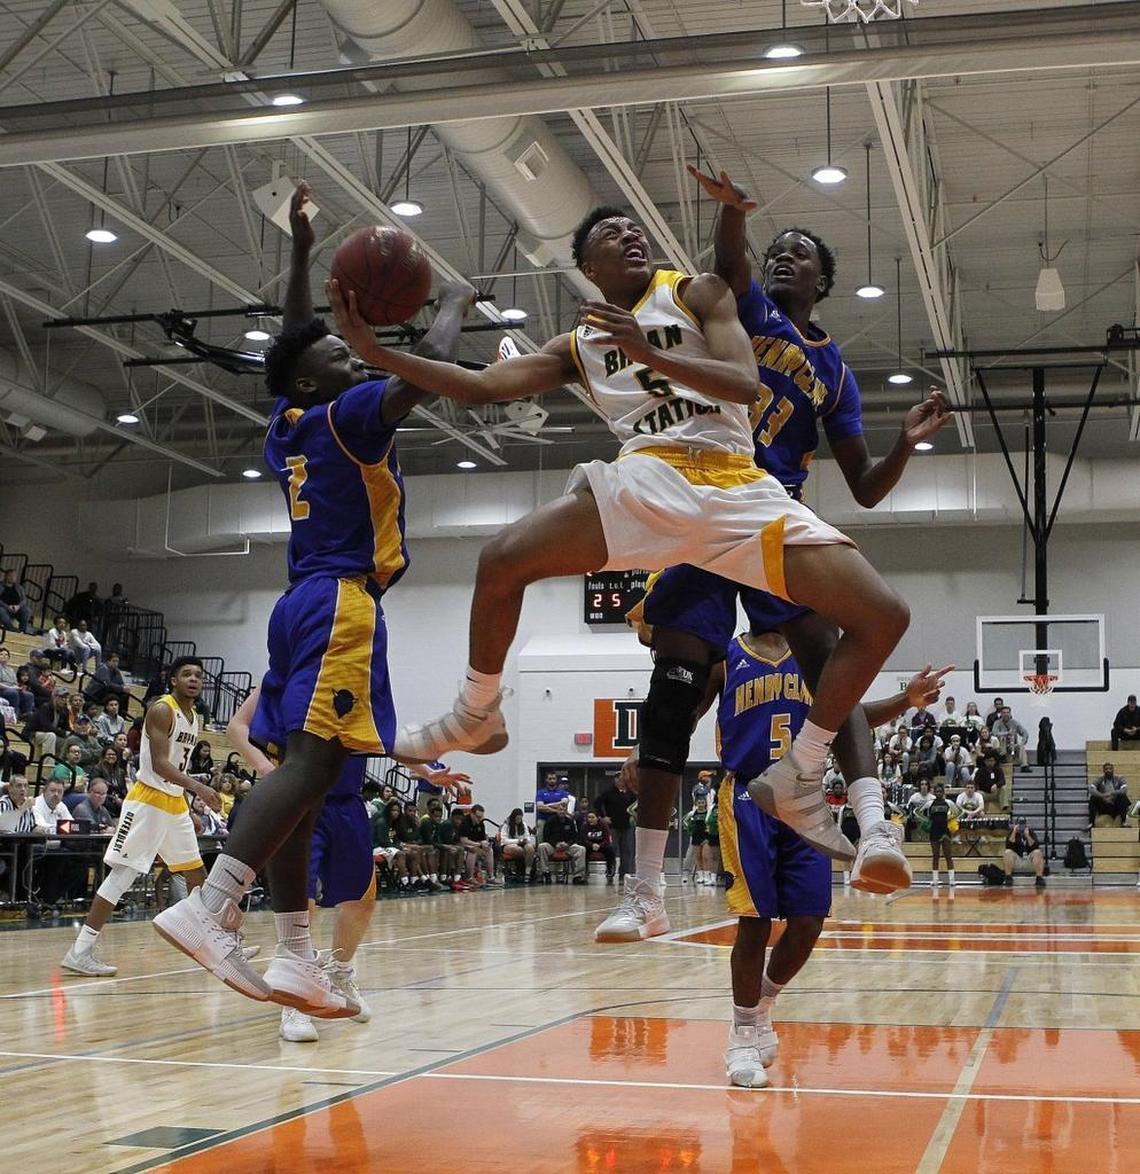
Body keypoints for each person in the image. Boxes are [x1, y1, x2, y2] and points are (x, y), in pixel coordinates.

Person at [336, 204, 935, 941]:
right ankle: (476, 710)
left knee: (885, 617)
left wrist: (649, 350)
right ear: (587, 266)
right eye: (609, 232)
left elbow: (743, 385)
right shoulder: (580, 341)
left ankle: (804, 772)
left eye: (633, 226)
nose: (630, 232)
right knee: (503, 561)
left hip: (737, 483)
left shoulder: (697, 294)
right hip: (650, 482)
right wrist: (376, 351)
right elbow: (483, 388)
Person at [151, 180, 476, 1014]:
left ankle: (296, 951)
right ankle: (212, 903)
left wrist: (300, 249)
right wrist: (454, 306)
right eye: (337, 359)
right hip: (340, 604)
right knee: (318, 765)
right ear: (312, 385)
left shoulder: (288, 424)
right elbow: (421, 375)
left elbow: (296, 343)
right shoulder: (346, 417)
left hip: (298, 606)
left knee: (313, 772)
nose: (351, 358)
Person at [710, 628, 947, 1088]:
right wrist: (649, 748)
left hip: (804, 795)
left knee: (809, 922)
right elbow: (686, 711)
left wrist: (906, 700)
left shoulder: (816, 653)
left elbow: (851, 715)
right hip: (745, 795)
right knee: (754, 922)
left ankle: (760, 1004)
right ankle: (741, 1036)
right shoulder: (727, 654)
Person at [227, 684, 383, 1042]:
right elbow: (237, 728)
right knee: (302, 903)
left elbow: (382, 738)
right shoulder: (286, 674)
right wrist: (267, 768)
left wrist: (422, 767)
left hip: (347, 801)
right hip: (302, 800)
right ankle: (294, 1000)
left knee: (362, 900)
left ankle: (340, 972)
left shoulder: (359, 672)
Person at [59, 657, 226, 977]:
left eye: (198, 676)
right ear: (173, 680)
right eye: (186, 674)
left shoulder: (195, 717)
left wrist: (188, 801)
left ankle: (214, 942)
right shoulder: (162, 710)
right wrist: (198, 790)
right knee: (122, 877)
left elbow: (179, 766)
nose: (194, 679)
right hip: (148, 801)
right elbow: (161, 765)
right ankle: (80, 951)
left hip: (174, 802)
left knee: (196, 873)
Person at [594, 769, 636, 881]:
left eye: (621, 778)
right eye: (617, 778)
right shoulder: (608, 792)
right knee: (612, 849)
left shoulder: (630, 793)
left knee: (626, 850)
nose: (620, 780)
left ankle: (625, 873)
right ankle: (611, 871)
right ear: (615, 780)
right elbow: (597, 803)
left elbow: (637, 805)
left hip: (627, 826)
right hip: (612, 827)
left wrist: (634, 816)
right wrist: (602, 817)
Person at [538, 800, 586, 883]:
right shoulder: (550, 821)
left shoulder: (570, 822)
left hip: (567, 846)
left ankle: (577, 876)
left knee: (581, 849)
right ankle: (546, 872)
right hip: (553, 846)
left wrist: (567, 844)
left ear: (566, 811)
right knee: (541, 846)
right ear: (557, 810)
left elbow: (574, 837)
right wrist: (556, 844)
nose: (562, 812)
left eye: (564, 810)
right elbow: (546, 837)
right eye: (560, 810)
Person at [924, 782, 959, 890]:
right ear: (934, 792)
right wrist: (926, 819)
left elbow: (959, 811)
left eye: (940, 791)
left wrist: (951, 818)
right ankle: (935, 880)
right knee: (935, 856)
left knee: (948, 855)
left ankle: (952, 880)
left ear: (943, 792)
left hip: (945, 831)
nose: (938, 793)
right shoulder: (930, 803)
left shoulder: (948, 802)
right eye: (937, 791)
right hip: (934, 831)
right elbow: (918, 811)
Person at [459, 804, 501, 887]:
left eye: (481, 817)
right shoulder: (465, 822)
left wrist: (485, 843)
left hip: (476, 845)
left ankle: (491, 876)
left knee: (489, 850)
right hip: (464, 846)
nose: (480, 819)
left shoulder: (481, 823)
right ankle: (469, 877)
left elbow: (482, 838)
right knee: (473, 849)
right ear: (472, 814)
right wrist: (478, 844)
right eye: (478, 817)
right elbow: (463, 840)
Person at [1003, 817, 1045, 889]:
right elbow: (1008, 845)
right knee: (1007, 852)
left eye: (1023, 825)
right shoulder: (1011, 832)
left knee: (1037, 852)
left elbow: (1035, 846)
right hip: (1017, 860)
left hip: (1029, 861)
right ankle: (1008, 877)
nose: (1021, 827)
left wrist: (1027, 836)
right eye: (1019, 824)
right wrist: (1014, 832)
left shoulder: (1031, 832)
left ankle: (1039, 877)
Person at [498, 808, 536, 882]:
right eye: (517, 818)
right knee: (519, 850)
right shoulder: (506, 825)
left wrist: (525, 841)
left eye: (520, 819)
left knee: (530, 848)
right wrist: (518, 841)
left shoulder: (523, 824)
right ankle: (522, 869)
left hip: (522, 843)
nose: (519, 820)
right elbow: (504, 840)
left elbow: (527, 837)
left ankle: (527, 872)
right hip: (508, 845)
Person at [579, 809, 616, 883]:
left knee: (610, 848)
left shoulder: (603, 825)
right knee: (582, 849)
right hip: (589, 846)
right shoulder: (584, 826)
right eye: (589, 817)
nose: (590, 819)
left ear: (597, 818)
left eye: (592, 817)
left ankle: (610, 870)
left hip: (601, 845)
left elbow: (607, 839)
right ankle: (584, 871)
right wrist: (592, 845)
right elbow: (583, 839)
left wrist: (600, 845)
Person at [1088, 763, 1129, 828]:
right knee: (1093, 797)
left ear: (1113, 770)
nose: (1108, 770)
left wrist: (1112, 793)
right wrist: (1102, 796)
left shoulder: (1119, 779)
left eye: (1110, 769)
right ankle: (1091, 823)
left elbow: (1124, 790)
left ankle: (1123, 822)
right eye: (1106, 769)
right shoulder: (1099, 780)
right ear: (1103, 770)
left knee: (1123, 797)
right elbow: (1091, 789)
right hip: (1104, 805)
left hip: (1115, 805)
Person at [991, 706, 1029, 770]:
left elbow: (1025, 733)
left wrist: (1022, 742)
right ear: (1001, 714)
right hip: (1001, 747)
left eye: (1007, 712)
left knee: (1021, 746)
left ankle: (1024, 766)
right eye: (1004, 712)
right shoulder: (997, 723)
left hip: (1012, 746)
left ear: (1010, 713)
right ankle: (1002, 758)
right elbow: (994, 733)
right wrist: (1007, 733)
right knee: (1002, 738)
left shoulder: (1014, 723)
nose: (1006, 714)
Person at [0, 568, 32, 633]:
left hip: (16, 609)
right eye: (10, 576)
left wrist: (18, 606)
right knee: (1, 610)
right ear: (5, 576)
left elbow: (24, 600)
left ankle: (22, 631)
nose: (12, 578)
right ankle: (12, 629)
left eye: (14, 576)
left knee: (27, 610)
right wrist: (7, 607)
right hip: (4, 608)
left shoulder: (19, 587)